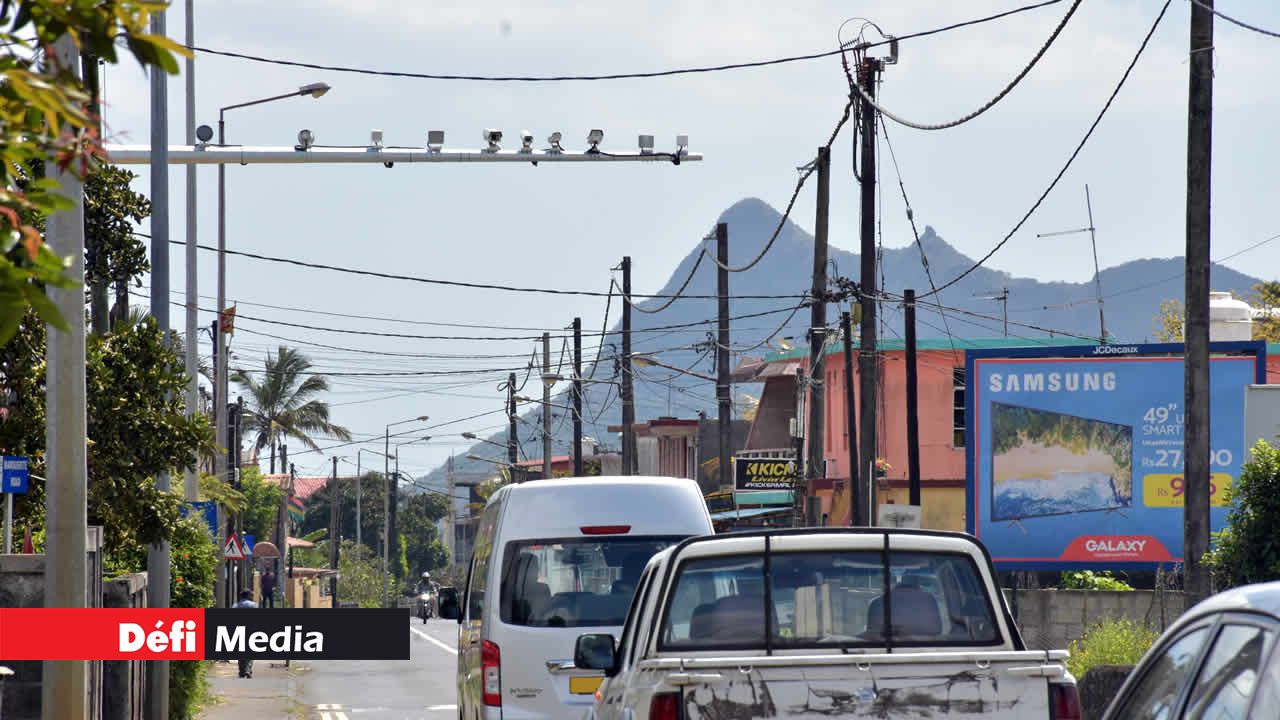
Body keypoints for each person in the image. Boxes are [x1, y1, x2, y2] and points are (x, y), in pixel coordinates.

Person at [234, 589, 258, 678]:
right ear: (248, 596)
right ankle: (248, 670)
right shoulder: (253, 605)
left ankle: (241, 671)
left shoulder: (235, 606)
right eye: (251, 595)